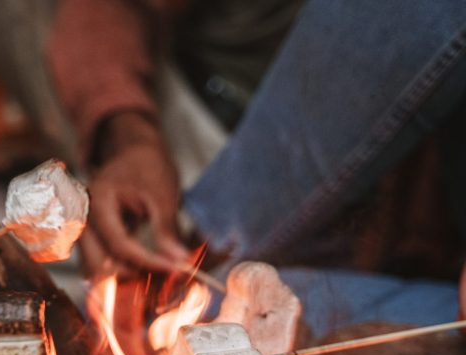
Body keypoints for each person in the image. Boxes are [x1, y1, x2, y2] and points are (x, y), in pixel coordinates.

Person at [48, 0, 466, 331]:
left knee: (238, 318)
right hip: (242, 181)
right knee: (216, 313)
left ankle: (180, 282)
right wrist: (130, 138)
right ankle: (183, 272)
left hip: (427, 278)